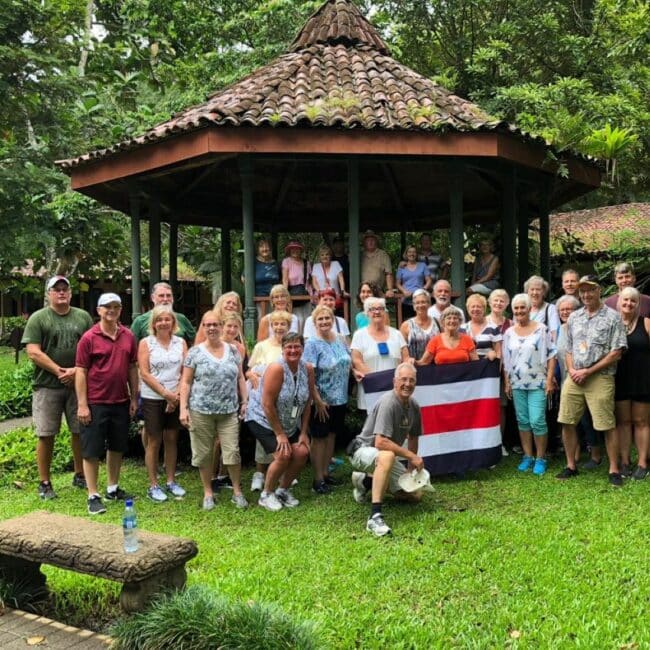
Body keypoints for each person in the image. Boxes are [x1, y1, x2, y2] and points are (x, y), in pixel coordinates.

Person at [22, 275, 93, 499]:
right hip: (47, 385)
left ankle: (80, 473)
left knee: (79, 430)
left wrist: (75, 371)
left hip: (77, 384)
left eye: (65, 289)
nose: (61, 292)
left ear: (71, 293)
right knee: (46, 434)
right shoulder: (39, 318)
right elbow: (33, 351)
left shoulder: (82, 317)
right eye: (57, 289)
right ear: (49, 294)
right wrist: (59, 370)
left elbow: (93, 348)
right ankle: (45, 482)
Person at [556, 275, 627, 486]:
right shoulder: (574, 317)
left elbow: (616, 352)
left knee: (606, 424)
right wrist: (572, 370)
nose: (586, 294)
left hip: (600, 377)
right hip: (574, 377)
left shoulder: (613, 317)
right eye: (582, 291)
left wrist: (588, 371)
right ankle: (571, 465)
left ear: (599, 291)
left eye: (590, 290)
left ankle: (614, 469)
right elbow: (568, 348)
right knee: (567, 420)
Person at [75, 293, 138, 515]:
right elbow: (81, 372)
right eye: (107, 307)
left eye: (116, 307)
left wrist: (134, 397)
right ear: (99, 310)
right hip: (95, 401)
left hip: (120, 400)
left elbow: (132, 367)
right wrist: (82, 404)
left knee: (116, 446)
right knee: (91, 450)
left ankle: (112, 487)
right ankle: (93, 494)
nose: (112, 310)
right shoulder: (89, 338)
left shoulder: (128, 336)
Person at [179, 310, 248, 510]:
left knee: (232, 452)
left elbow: (240, 377)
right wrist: (183, 408)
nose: (211, 328)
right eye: (207, 324)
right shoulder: (195, 352)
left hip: (228, 411)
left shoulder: (234, 351)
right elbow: (186, 382)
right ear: (202, 327)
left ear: (221, 326)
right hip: (200, 410)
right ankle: (208, 492)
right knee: (204, 453)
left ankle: (237, 491)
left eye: (215, 324)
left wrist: (244, 401)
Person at [348, 363, 424, 537]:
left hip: (382, 457)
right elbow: (380, 442)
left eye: (411, 380)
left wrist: (411, 472)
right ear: (394, 381)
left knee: (414, 495)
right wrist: (411, 456)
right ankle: (374, 517)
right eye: (403, 379)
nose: (407, 384)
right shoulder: (388, 402)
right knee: (388, 455)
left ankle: (364, 482)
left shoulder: (414, 406)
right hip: (362, 450)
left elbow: (413, 438)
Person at [245, 333, 314, 511]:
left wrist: (304, 432)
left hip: (289, 421)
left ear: (302, 348)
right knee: (283, 455)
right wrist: (280, 434)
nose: (293, 350)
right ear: (282, 350)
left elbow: (307, 403)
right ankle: (266, 494)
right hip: (263, 419)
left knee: (302, 452)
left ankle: (283, 490)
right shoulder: (276, 369)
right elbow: (267, 404)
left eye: (297, 346)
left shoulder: (307, 368)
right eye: (288, 347)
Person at [137, 305, 188, 502]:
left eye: (167, 319)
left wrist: (176, 395)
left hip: (175, 396)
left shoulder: (180, 342)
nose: (163, 323)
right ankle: (153, 484)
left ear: (173, 322)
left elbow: (185, 370)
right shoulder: (146, 343)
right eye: (159, 320)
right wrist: (166, 394)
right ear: (154, 323)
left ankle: (170, 481)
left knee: (171, 438)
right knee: (154, 440)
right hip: (153, 397)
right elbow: (145, 373)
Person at [502, 294, 557, 476]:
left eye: (522, 308)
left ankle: (540, 457)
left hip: (538, 382)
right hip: (517, 383)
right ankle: (528, 456)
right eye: (516, 308)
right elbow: (507, 360)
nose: (519, 311)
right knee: (523, 421)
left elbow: (551, 355)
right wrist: (507, 381)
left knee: (537, 421)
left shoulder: (541, 329)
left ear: (529, 309)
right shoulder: (509, 332)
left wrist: (549, 380)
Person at [303, 305, 352, 494]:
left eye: (327, 318)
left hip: (340, 397)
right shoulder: (312, 344)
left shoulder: (339, 339)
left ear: (333, 320)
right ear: (314, 323)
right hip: (321, 401)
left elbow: (348, 361)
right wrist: (317, 399)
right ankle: (317, 479)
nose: (324, 322)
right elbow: (309, 373)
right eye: (320, 319)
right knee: (319, 437)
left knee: (332, 435)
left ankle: (325, 474)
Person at [247, 310, 292, 492]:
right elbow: (248, 370)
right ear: (271, 326)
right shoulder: (262, 346)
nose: (279, 327)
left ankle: (281, 472)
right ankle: (259, 473)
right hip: (264, 400)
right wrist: (253, 377)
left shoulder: (292, 346)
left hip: (286, 400)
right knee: (263, 436)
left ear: (288, 327)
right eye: (276, 324)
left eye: (283, 324)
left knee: (283, 434)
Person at [615, 287, 650, 480]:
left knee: (642, 422)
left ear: (638, 304)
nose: (628, 304)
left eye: (633, 301)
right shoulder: (612, 323)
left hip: (643, 379)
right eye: (625, 300)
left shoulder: (646, 322)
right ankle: (625, 461)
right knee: (623, 422)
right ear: (619, 301)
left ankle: (642, 463)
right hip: (619, 379)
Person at [351, 297, 409, 411]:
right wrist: (378, 380)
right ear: (367, 313)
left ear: (385, 312)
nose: (377, 312)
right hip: (371, 389)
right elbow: (357, 360)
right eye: (372, 309)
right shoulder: (359, 335)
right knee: (372, 426)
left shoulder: (397, 334)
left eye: (380, 309)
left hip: (395, 390)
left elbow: (405, 358)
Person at [130, 282, 196, 345]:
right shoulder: (140, 321)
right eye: (161, 296)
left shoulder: (182, 319)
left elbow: (196, 341)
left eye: (168, 295)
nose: (165, 299)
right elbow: (132, 347)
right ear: (153, 298)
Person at [399, 289, 440, 360]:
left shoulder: (437, 322)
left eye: (423, 302)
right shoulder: (406, 325)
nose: (420, 305)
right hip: (414, 367)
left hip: (436, 366)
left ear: (429, 304)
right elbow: (401, 349)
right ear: (413, 306)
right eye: (417, 303)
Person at [461, 294, 502, 361]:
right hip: (466, 368)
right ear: (468, 309)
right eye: (473, 306)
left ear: (484, 309)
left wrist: (494, 357)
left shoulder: (493, 328)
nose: (475, 309)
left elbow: (499, 353)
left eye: (479, 307)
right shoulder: (462, 328)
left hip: (487, 368)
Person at [281, 240, 312, 330]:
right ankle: (296, 339)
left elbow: (310, 280)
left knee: (308, 320)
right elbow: (285, 279)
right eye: (292, 249)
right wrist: (285, 295)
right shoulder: (286, 262)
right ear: (289, 251)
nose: (295, 251)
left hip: (306, 294)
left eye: (297, 249)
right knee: (298, 319)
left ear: (301, 250)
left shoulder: (307, 263)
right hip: (292, 294)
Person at [395, 245, 432, 319]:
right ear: (406, 254)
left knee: (421, 321)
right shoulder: (402, 267)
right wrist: (404, 291)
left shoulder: (423, 265)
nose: (412, 254)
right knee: (407, 323)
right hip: (405, 300)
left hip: (420, 300)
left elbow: (429, 280)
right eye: (409, 252)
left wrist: (423, 289)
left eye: (414, 252)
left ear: (417, 254)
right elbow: (397, 283)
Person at [525, 275, 560, 341]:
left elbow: (555, 333)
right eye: (532, 289)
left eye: (538, 289)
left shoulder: (551, 309)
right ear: (527, 291)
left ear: (544, 292)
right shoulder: (521, 309)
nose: (534, 293)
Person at [360, 230, 394, 296]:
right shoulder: (359, 255)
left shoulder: (383, 255)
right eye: (368, 240)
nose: (370, 242)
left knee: (378, 306)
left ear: (376, 241)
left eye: (372, 240)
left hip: (378, 291)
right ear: (364, 242)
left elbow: (388, 273)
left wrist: (390, 290)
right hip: (363, 292)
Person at [252, 237, 280, 304]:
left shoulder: (275, 263)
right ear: (257, 249)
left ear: (270, 248)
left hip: (274, 300)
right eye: (261, 247)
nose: (265, 249)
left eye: (267, 246)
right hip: (258, 300)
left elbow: (281, 280)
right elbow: (244, 278)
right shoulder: (253, 263)